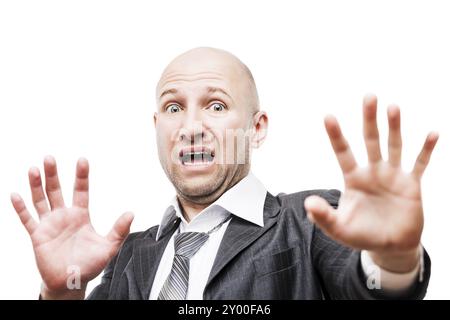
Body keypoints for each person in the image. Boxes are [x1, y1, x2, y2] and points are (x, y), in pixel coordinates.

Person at [10, 47, 438, 299]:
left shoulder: (309, 219)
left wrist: (395, 258)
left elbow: (373, 288)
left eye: (216, 106)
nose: (192, 126)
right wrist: (63, 291)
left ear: (256, 128)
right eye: (174, 108)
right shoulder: (127, 254)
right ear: (158, 128)